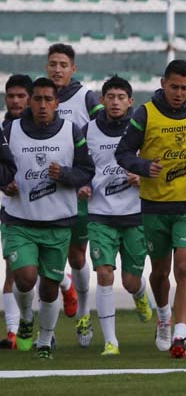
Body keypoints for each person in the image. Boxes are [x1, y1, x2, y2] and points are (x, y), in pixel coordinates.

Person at [115, 59, 186, 359]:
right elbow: (123, 153)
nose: (179, 93)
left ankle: (180, 335)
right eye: (174, 87)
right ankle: (163, 317)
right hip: (155, 205)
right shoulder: (145, 114)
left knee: (185, 267)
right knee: (159, 272)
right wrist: (145, 166)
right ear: (163, 83)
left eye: (185, 88)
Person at [1, 77, 93, 359]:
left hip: (58, 223)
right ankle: (27, 319)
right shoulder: (11, 129)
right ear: (30, 101)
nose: (42, 105)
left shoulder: (71, 131)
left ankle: (45, 340)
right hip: (20, 221)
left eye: (48, 99)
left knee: (50, 288)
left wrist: (65, 175)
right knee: (26, 279)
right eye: (37, 99)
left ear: (58, 103)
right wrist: (5, 183)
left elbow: (86, 171)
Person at [78, 75, 153, 356]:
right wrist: (83, 185)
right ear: (102, 100)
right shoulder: (88, 131)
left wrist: (142, 176)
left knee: (130, 281)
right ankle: (111, 341)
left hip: (135, 215)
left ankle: (140, 293)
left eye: (121, 97)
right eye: (110, 97)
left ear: (130, 101)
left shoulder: (142, 130)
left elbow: (155, 164)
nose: (115, 102)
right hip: (100, 215)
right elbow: (83, 167)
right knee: (104, 274)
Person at [47, 43, 102, 344]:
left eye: (63, 64)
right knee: (46, 258)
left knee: (77, 255)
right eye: (53, 63)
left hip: (78, 189)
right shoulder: (39, 97)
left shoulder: (86, 98)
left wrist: (90, 176)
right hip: (45, 192)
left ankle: (83, 314)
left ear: (73, 68)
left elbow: (105, 132)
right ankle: (47, 330)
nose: (57, 69)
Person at [0, 74, 31, 350]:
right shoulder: (3, 129)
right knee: (13, 268)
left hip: (44, 211)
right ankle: (12, 331)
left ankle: (66, 283)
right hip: (11, 210)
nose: (16, 100)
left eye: (22, 96)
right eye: (11, 96)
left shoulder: (47, 129)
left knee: (39, 274)